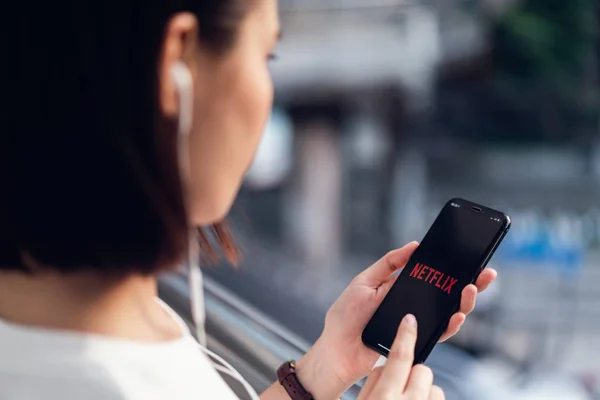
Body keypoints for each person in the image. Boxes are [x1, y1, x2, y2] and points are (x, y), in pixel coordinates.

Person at [0, 0, 497, 399]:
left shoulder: (96, 316)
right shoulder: (102, 374)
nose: (267, 91)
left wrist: (322, 370)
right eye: (265, 56)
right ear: (178, 63)